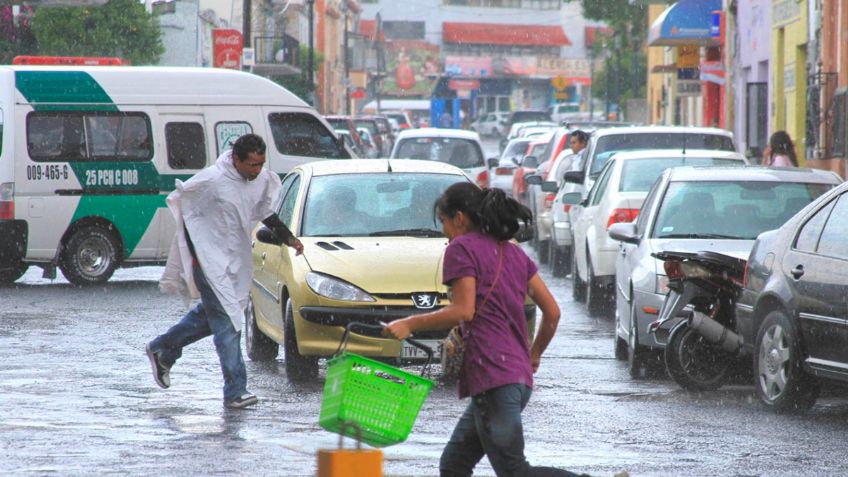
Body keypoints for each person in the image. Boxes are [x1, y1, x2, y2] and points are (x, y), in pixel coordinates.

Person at [384, 183, 589, 477]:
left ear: (460, 218)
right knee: (454, 465)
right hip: (516, 379)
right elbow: (553, 313)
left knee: (514, 472)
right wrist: (533, 355)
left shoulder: (461, 248)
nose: (444, 231)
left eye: (443, 221)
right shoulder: (515, 254)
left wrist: (409, 323)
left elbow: (463, 310)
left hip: (494, 378)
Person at [146, 133, 304, 409]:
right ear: (235, 159)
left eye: (261, 164)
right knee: (229, 323)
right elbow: (186, 209)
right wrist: (195, 256)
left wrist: (288, 238)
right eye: (251, 165)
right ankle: (235, 389)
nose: (257, 171)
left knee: (214, 316)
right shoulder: (212, 181)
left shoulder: (260, 181)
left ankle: (163, 347)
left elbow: (264, 211)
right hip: (209, 262)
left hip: (234, 260)